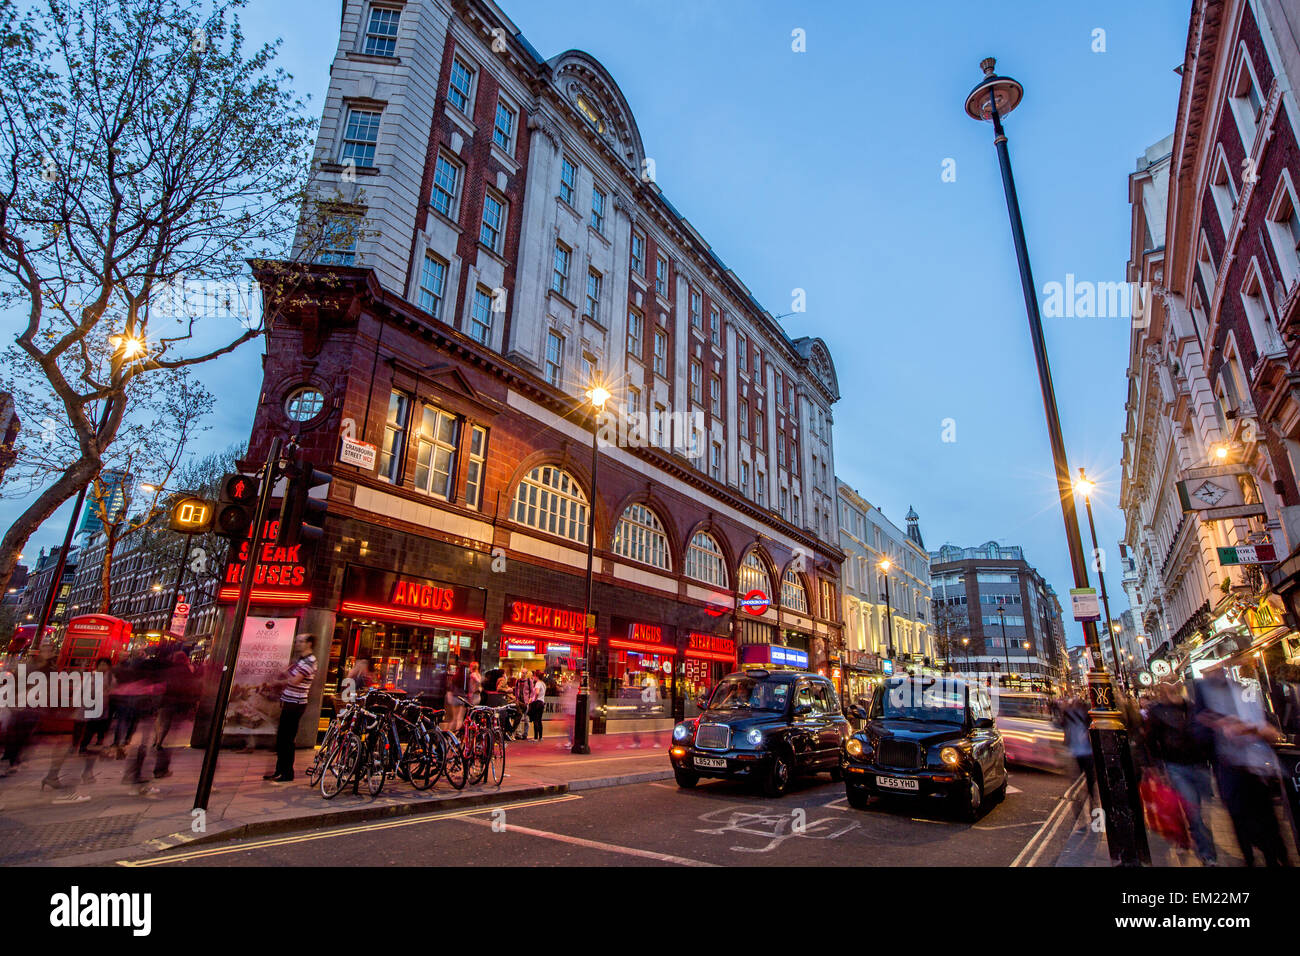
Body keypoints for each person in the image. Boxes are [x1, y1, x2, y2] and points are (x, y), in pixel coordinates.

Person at [1196, 673, 1289, 867]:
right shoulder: (1204, 701)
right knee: (1242, 821)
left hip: (1255, 767)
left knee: (1266, 821)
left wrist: (1253, 729)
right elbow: (1200, 734)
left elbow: (1266, 727)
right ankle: (1255, 857)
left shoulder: (1244, 693)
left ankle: (1275, 857)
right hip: (1231, 769)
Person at [1145, 682, 1217, 865]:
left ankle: (1195, 840)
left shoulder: (1192, 707)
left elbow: (1205, 734)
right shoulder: (1157, 712)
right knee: (1193, 811)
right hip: (1176, 766)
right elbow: (1151, 741)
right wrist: (1158, 768)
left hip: (1199, 765)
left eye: (1175, 688)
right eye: (1167, 689)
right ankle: (1207, 854)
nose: (1172, 692)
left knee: (1203, 813)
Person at [265, 634, 318, 784]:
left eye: (301, 642)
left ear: (309, 644)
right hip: (289, 701)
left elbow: (295, 681)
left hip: (296, 703)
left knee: (287, 738)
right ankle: (280, 770)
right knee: (282, 737)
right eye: (297, 641)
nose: (297, 644)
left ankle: (287, 772)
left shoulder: (309, 661)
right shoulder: (301, 661)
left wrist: (278, 682)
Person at [1061, 695, 1096, 809]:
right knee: (1087, 775)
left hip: (1081, 750)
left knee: (1083, 776)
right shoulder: (1080, 715)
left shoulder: (1076, 716)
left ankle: (1086, 797)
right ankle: (1089, 796)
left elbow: (1062, 725)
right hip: (1082, 750)